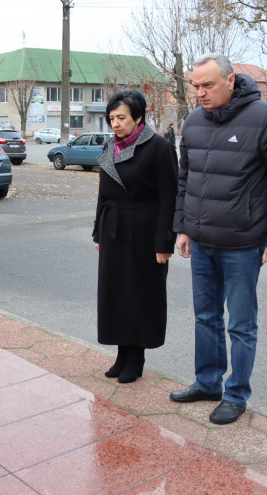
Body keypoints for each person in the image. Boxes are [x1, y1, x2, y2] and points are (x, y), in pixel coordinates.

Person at [169, 54, 267, 424]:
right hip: (201, 241)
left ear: (231, 80)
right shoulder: (193, 122)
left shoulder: (266, 119)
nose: (200, 93)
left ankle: (236, 394)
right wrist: (182, 227)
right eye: (195, 86)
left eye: (208, 85)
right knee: (205, 317)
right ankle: (207, 382)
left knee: (240, 324)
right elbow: (186, 181)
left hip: (243, 244)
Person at [93, 89, 178, 384]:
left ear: (139, 117)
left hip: (145, 229)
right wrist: (97, 231)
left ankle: (137, 357)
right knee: (115, 292)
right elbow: (103, 194)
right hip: (113, 229)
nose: (115, 124)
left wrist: (165, 241)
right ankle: (121, 353)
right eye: (112, 118)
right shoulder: (109, 147)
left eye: (122, 118)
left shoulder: (158, 148)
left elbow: (170, 197)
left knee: (140, 294)